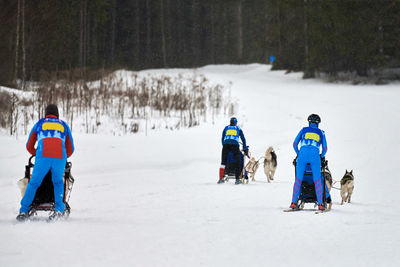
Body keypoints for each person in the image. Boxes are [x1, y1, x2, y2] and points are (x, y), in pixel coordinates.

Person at [16, 104, 74, 221]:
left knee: (34, 183)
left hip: (42, 156)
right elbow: (70, 149)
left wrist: (37, 153)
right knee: (58, 182)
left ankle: (24, 210)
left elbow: (29, 146)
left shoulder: (39, 124)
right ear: (57, 114)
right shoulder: (64, 125)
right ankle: (59, 210)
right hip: (59, 157)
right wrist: (62, 157)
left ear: (45, 113)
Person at [290, 114, 327, 211]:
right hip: (315, 157)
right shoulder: (321, 132)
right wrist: (321, 156)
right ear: (318, 123)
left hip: (302, 156)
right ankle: (320, 204)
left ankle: (293, 203)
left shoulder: (303, 130)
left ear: (309, 122)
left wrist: (299, 153)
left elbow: (294, 144)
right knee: (317, 180)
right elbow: (325, 148)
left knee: (298, 180)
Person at [218, 117, 248, 184]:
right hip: (235, 145)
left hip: (226, 145)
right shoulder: (238, 128)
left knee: (223, 162)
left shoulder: (226, 128)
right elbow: (243, 139)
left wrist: (224, 145)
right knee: (238, 161)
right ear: (236, 123)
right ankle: (237, 180)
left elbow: (222, 138)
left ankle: (220, 179)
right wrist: (245, 148)